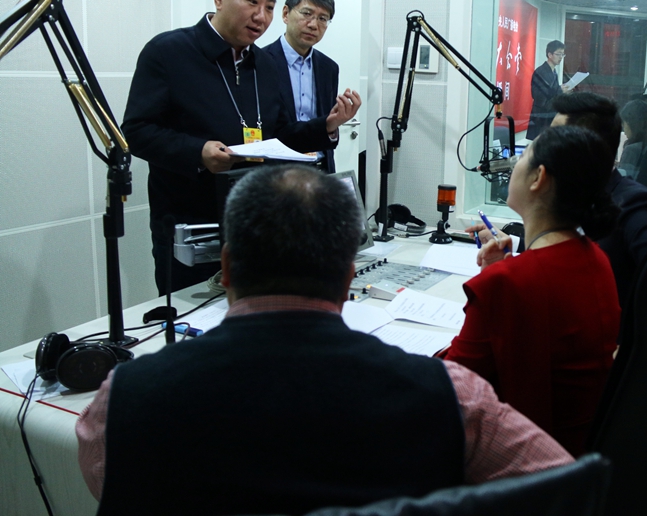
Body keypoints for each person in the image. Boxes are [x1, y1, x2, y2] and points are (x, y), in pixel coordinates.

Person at [76, 165, 574, 516]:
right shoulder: (454, 399)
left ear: (226, 267)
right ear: (348, 277)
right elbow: (567, 488)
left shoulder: (122, 402)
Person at [121, 0, 360, 295]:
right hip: (191, 222)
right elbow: (136, 131)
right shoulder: (169, 52)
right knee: (194, 315)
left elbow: (279, 135)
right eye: (251, 2)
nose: (261, 16)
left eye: (269, 7)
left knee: (255, 313)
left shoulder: (263, 63)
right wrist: (198, 152)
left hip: (255, 220)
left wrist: (327, 126)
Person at [444, 127, 621, 457]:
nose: (513, 164)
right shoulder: (596, 258)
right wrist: (501, 270)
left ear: (539, 178)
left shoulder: (510, 282)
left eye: (522, 156)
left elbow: (452, 388)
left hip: (527, 461)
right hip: (576, 456)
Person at [550, 92, 647, 316]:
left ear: (583, 150)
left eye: (552, 138)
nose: (543, 147)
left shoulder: (635, 206)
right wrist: (515, 245)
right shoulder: (577, 196)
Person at [265, 0, 356, 173]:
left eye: (323, 18)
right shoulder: (260, 62)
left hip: (320, 169)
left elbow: (327, 123)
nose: (314, 25)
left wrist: (334, 125)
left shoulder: (328, 68)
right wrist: (326, 125)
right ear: (285, 14)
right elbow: (269, 130)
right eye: (306, 14)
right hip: (278, 172)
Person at [526, 40, 569, 140]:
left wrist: (561, 90)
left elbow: (551, 91)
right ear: (550, 54)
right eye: (558, 54)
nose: (561, 57)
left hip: (549, 114)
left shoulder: (553, 71)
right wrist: (560, 90)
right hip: (541, 116)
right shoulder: (541, 72)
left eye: (563, 54)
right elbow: (540, 96)